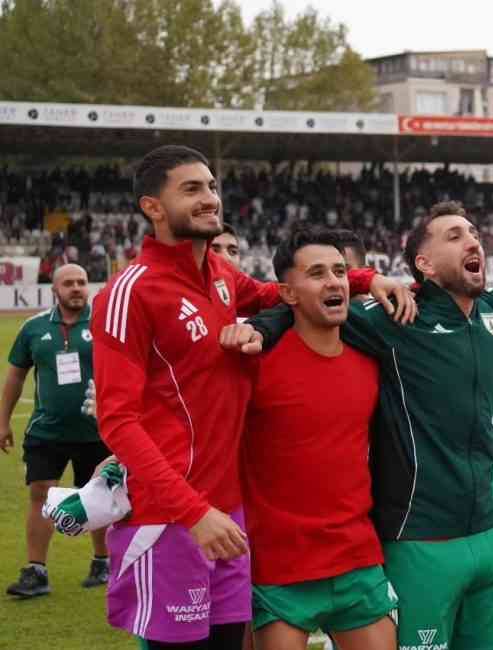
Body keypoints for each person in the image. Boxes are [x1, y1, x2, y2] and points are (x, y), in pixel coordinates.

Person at [92, 144, 408, 649]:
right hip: (171, 519)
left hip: (230, 516)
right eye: (191, 189)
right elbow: (117, 422)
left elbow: (277, 293)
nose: (209, 198)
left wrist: (366, 278)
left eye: (211, 186)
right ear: (153, 207)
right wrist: (194, 512)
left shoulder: (219, 275)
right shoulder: (129, 292)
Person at [246, 201, 493, 650]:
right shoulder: (395, 316)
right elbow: (307, 306)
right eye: (454, 236)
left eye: (472, 232)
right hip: (418, 538)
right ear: (423, 264)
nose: (472, 241)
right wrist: (262, 326)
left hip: (486, 534)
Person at [239, 226, 397, 650]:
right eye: (317, 273)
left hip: (356, 558)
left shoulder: (371, 361)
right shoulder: (254, 362)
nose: (334, 282)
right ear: (287, 294)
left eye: (340, 272)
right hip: (278, 568)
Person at [2, 263, 109, 597]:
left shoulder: (105, 324)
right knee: (41, 495)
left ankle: (103, 562)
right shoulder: (34, 328)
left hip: (98, 430)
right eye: (69, 283)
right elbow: (16, 376)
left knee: (101, 497)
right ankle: (37, 571)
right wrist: (3, 421)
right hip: (47, 430)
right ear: (54, 289)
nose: (76, 288)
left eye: (81, 282)